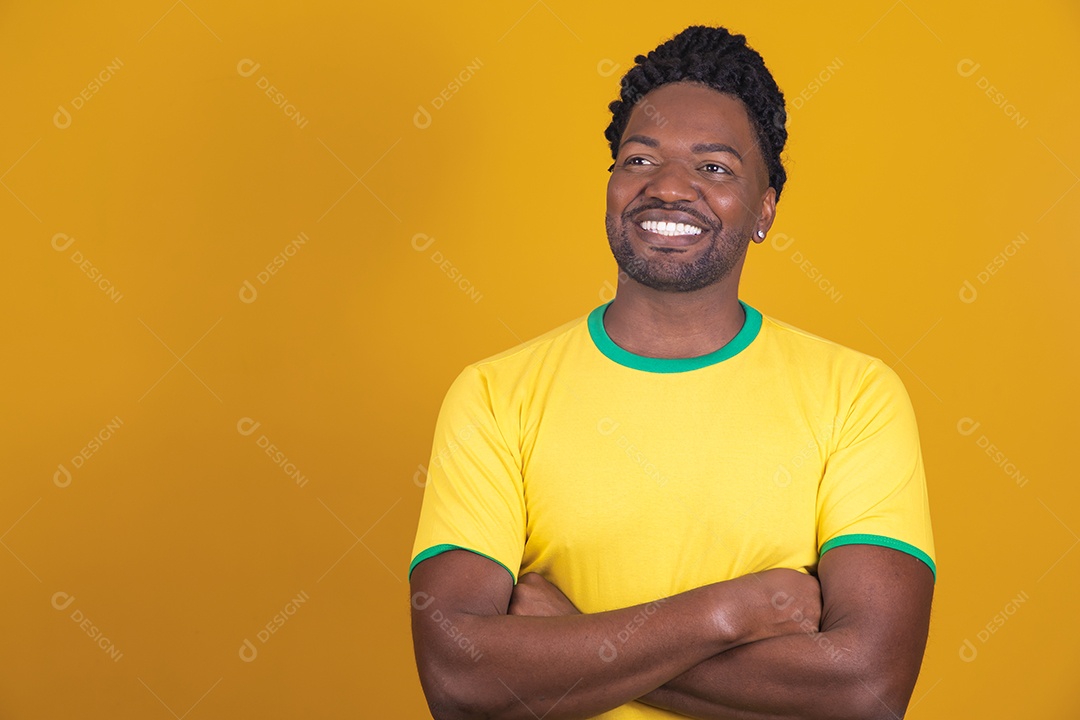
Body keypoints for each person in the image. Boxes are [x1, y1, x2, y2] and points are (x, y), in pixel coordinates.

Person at [408, 24, 935, 720]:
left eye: (714, 168)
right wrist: (735, 611)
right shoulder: (493, 395)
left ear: (765, 208)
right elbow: (458, 678)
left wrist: (568, 634)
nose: (669, 188)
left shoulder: (857, 396)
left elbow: (867, 689)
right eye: (639, 160)